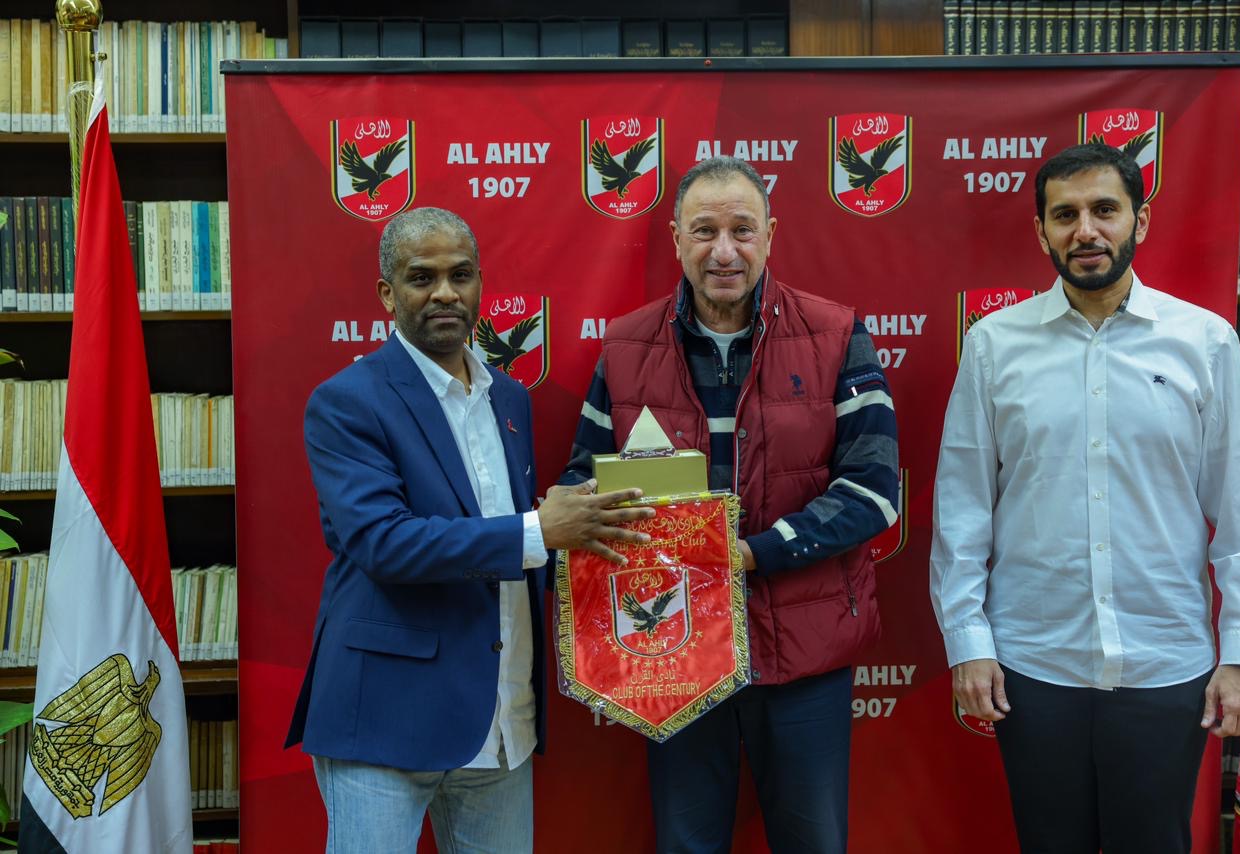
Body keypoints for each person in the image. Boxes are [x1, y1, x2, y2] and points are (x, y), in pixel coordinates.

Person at [930, 143, 1240, 853]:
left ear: (1139, 221)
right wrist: (968, 642)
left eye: (1104, 210)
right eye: (1065, 215)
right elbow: (961, 511)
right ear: (1042, 232)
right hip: (1032, 664)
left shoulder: (1205, 342)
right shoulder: (994, 346)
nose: (1085, 230)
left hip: (1165, 663)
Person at [285, 207, 654, 854]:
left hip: (501, 716)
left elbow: (527, 545)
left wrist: (626, 553)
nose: (445, 293)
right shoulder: (347, 401)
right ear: (387, 294)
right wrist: (540, 530)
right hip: (385, 719)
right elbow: (383, 542)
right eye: (421, 278)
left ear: (480, 283)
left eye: (460, 275)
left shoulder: (509, 398)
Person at [561, 157, 900, 853]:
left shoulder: (836, 335)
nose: (724, 252)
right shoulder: (625, 347)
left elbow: (872, 492)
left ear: (770, 235)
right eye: (704, 231)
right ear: (675, 239)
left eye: (742, 230)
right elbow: (582, 482)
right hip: (672, 650)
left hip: (803, 653)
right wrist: (578, 507)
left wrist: (747, 555)